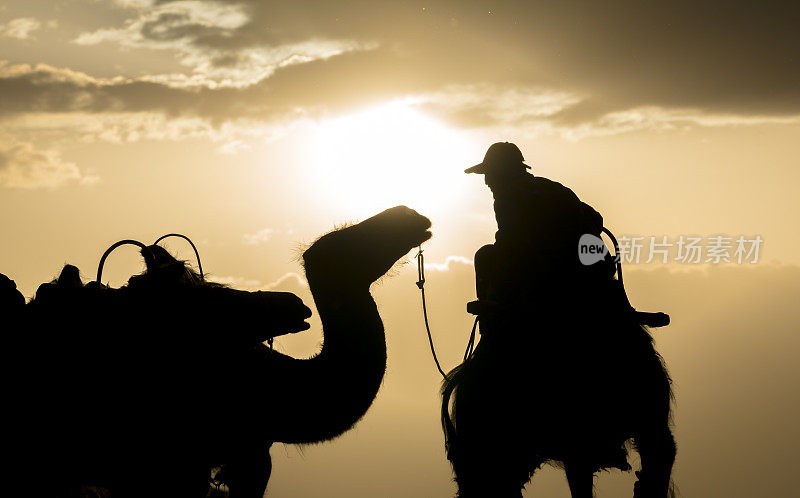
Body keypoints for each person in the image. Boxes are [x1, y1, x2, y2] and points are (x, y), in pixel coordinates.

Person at [465, 142, 608, 332]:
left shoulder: (508, 198)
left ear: (503, 173)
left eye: (489, 173)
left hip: (553, 276)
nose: (487, 181)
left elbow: (508, 245)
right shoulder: (554, 188)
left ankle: (491, 330)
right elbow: (596, 218)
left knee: (485, 255)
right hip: (597, 268)